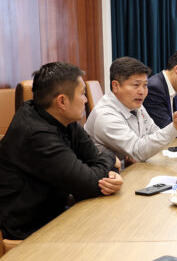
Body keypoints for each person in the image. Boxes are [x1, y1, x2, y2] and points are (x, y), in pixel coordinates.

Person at [0, 62, 123, 240]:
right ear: (62, 101)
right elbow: (88, 183)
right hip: (29, 231)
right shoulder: (36, 134)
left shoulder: (63, 118)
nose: (86, 100)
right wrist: (110, 156)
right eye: (82, 94)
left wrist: (110, 176)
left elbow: (94, 163)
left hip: (56, 215)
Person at [85, 57, 177, 163]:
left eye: (145, 85)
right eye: (136, 85)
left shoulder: (134, 104)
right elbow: (138, 151)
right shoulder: (105, 116)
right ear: (116, 86)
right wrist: (175, 128)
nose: (142, 91)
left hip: (130, 169)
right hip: (110, 175)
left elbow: (154, 131)